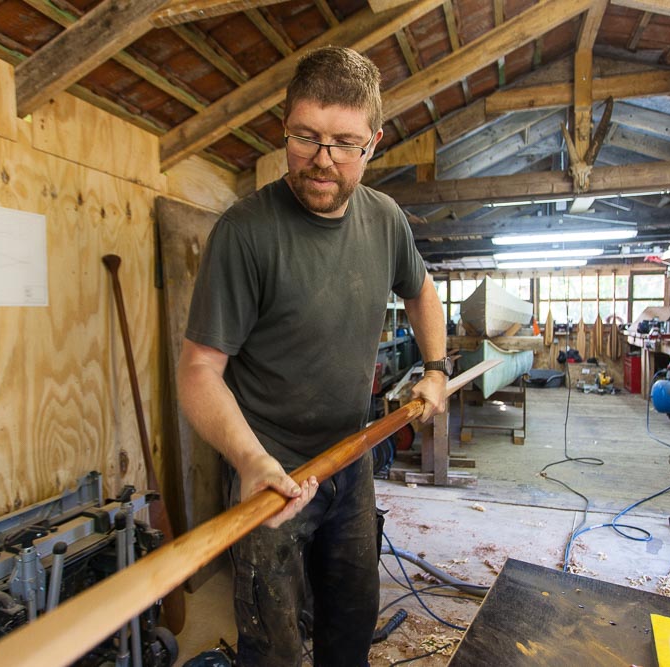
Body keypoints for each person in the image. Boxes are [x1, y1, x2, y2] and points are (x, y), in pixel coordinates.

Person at [177, 45, 448, 667]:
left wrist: (435, 370)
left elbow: (422, 291)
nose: (322, 162)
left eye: (345, 144)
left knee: (350, 624)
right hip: (271, 471)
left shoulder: (385, 220)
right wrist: (249, 461)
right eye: (306, 138)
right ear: (285, 128)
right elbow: (199, 371)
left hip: (351, 457)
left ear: (373, 143)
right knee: (272, 645)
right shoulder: (245, 232)